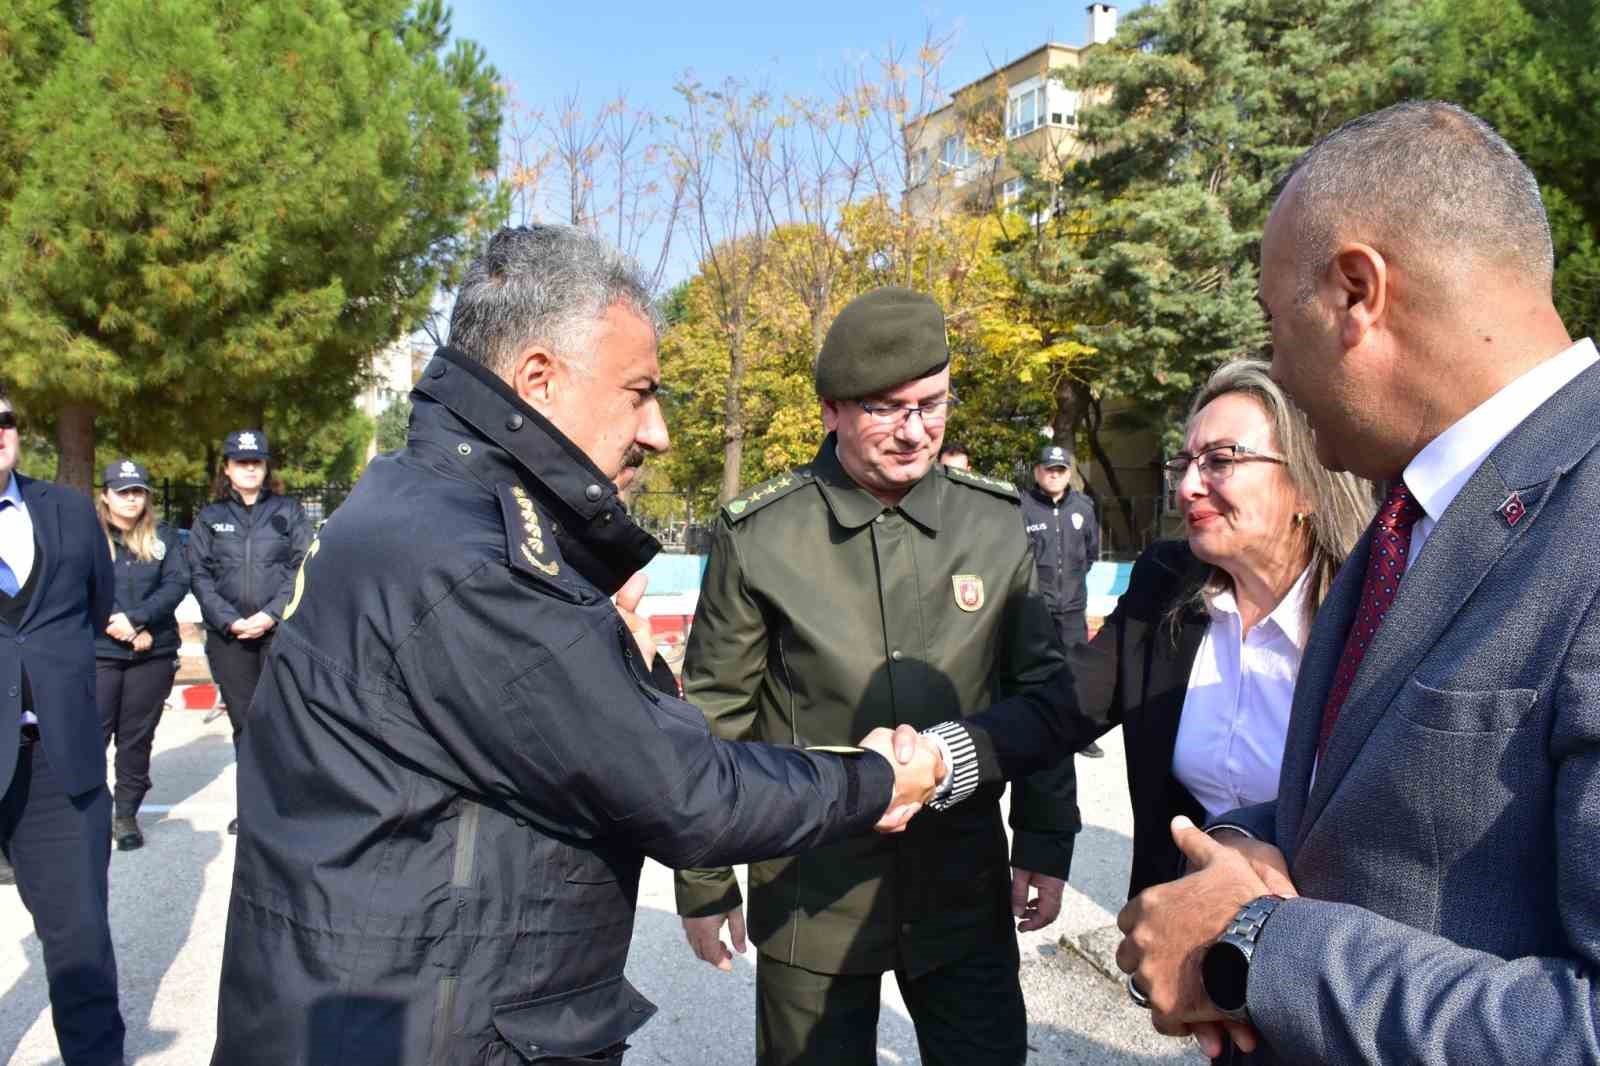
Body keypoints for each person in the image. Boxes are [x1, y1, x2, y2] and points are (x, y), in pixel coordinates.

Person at [928, 100, 1600, 1064]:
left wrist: (1250, 949)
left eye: (1277, 320)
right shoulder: (1413, 526)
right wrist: (1238, 849)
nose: (1279, 360)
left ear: (1357, 292)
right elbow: (1381, 824)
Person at [209, 225, 943, 1066]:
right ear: (538, 380)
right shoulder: (472, 564)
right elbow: (687, 794)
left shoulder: (422, 505)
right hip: (426, 1029)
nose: (658, 431)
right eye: (640, 392)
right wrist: (877, 779)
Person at [674, 286, 1074, 1066]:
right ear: (831, 409)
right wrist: (704, 879)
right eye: (887, 409)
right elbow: (712, 719)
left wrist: (1046, 834)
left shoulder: (993, 526)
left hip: (962, 883)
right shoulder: (763, 538)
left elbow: (1041, 694)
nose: (916, 430)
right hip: (811, 888)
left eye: (932, 404)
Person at [1046, 361, 1372, 900]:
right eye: (1186, 463)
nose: (1188, 487)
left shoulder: (1375, 617)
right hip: (1178, 943)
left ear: (1307, 488)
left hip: (1318, 955)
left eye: (1221, 461)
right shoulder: (1166, 584)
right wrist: (939, 756)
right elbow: (1055, 710)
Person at [0, 382, 126, 1065]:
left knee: (79, 941)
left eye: (5, 419)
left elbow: (95, 601)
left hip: (56, 760)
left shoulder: (70, 513)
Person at [186, 429, 311, 833]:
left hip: (277, 634)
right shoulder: (211, 518)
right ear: (227, 468)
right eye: (241, 462)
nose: (249, 468)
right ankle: (253, 809)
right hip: (230, 638)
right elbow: (199, 576)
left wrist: (271, 615)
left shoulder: (288, 513)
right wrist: (229, 620)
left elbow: (301, 566)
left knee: (280, 720)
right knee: (245, 722)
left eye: (256, 461)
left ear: (265, 465)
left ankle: (285, 805)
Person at [94, 459, 189, 851]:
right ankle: (84, 812)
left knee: (136, 739)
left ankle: (125, 815)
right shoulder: (88, 536)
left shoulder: (162, 535)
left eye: (138, 492)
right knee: (89, 736)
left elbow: (177, 583)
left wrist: (137, 620)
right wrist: (117, 625)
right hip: (98, 651)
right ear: (106, 496)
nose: (132, 499)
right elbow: (76, 584)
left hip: (153, 651)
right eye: (123, 491)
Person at [1021, 442, 1104, 756]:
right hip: (1035, 606)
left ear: (1068, 473)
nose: (1054, 475)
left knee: (1076, 670)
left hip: (1072, 607)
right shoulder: (1023, 506)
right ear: (1037, 472)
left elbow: (1091, 553)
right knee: (1035, 669)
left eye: (1060, 470)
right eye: (1048, 469)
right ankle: (1036, 729)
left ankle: (1080, 734)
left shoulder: (1083, 507)